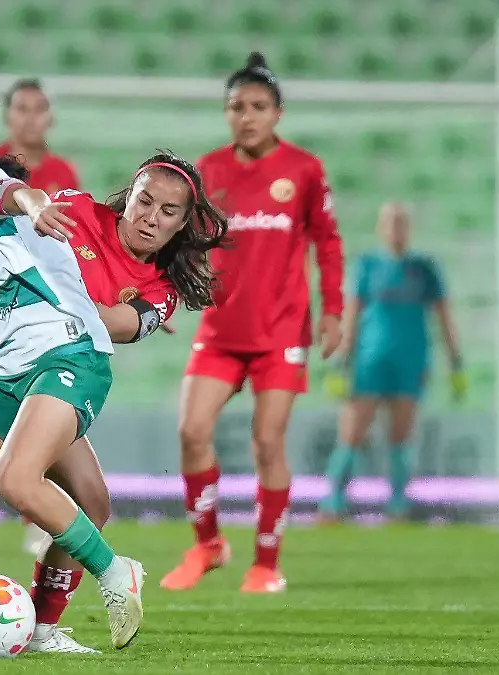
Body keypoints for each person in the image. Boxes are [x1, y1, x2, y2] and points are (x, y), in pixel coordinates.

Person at [0, 147, 226, 655]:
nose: (150, 218)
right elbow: (17, 212)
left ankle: (47, 621)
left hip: (57, 355)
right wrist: (21, 208)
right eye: (144, 202)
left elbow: (120, 325)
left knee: (79, 498)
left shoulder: (161, 289)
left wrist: (62, 301)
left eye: (168, 212)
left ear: (182, 223)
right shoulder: (78, 209)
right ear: (130, 196)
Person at [161, 52, 345, 594]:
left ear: (278, 113)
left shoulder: (304, 170)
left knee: (268, 440)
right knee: (192, 431)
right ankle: (208, 544)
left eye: (258, 107)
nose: (247, 116)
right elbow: (182, 243)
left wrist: (333, 310)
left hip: (282, 331)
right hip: (221, 329)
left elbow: (328, 243)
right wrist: (164, 296)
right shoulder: (209, 170)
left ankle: (267, 564)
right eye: (237, 107)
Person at [0, 78, 84, 555]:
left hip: (46, 309)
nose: (31, 117)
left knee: (43, 408)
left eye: (39, 109)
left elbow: (75, 242)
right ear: (9, 116)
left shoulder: (61, 171)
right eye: (22, 108)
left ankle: (36, 514)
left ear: (48, 117)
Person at [319, 202, 465, 521]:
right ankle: (334, 501)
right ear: (380, 228)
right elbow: (353, 312)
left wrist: (456, 362)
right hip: (370, 360)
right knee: (353, 430)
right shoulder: (368, 265)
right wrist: (341, 360)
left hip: (411, 360)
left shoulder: (425, 268)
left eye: (401, 223)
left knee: (400, 434)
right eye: (390, 222)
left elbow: (443, 316)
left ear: (408, 228)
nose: (395, 229)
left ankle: (398, 503)